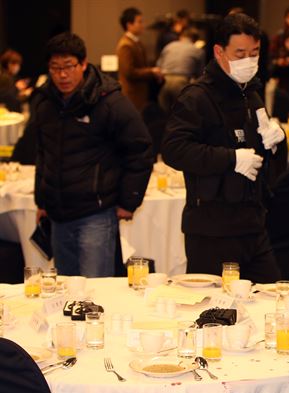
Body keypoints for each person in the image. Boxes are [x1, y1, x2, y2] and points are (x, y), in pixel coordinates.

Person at [162, 13, 285, 282]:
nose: (249, 61)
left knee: (269, 302)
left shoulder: (251, 94)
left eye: (255, 53)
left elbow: (259, 159)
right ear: (219, 52)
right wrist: (230, 159)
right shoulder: (196, 97)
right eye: (239, 53)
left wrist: (275, 142)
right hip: (211, 228)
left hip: (252, 225)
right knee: (213, 310)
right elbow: (174, 148)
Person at [27, 33, 153, 277]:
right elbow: (43, 153)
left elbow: (140, 149)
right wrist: (42, 201)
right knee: (66, 288)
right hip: (57, 214)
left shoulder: (108, 101)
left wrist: (129, 201)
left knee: (96, 291)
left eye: (68, 67)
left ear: (83, 64)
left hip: (96, 214)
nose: (62, 75)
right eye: (55, 68)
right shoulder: (45, 102)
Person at [116, 7, 163, 112]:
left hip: (139, 93)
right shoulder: (125, 45)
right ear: (129, 25)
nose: (143, 25)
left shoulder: (135, 42)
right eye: (139, 22)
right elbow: (129, 72)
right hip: (132, 94)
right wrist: (151, 71)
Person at [156, 27, 205, 112]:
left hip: (164, 82)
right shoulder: (198, 51)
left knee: (163, 114)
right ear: (194, 39)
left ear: (181, 36)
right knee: (181, 113)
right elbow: (200, 75)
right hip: (181, 82)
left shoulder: (169, 46)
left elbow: (158, 66)